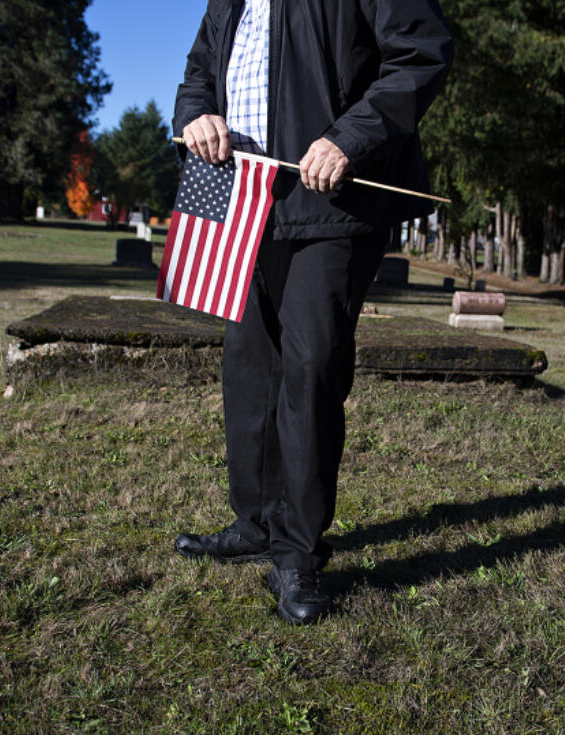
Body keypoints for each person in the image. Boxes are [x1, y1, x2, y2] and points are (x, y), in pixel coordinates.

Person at [171, 0, 453, 624]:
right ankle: (256, 525)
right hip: (242, 199)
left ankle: (296, 553)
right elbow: (198, 74)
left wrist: (349, 136)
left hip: (329, 202)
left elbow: (422, 49)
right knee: (248, 368)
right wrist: (197, 117)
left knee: (309, 366)